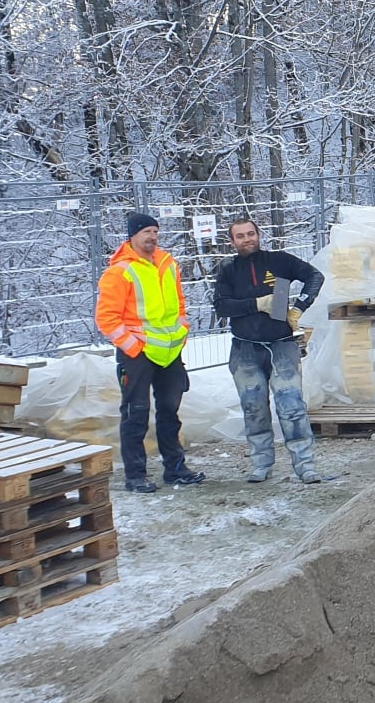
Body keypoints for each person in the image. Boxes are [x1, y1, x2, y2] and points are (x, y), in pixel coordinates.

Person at [213, 217, 329, 484]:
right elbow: (222, 306)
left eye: (251, 234)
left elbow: (315, 276)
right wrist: (256, 304)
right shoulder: (228, 269)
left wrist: (300, 306)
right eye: (240, 236)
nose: (247, 239)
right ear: (232, 241)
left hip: (281, 345)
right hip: (245, 348)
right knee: (253, 408)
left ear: (259, 235)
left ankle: (305, 464)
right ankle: (261, 462)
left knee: (291, 406)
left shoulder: (279, 262)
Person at [95, 211, 203, 493]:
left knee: (170, 411)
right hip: (137, 356)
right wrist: (133, 347)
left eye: (155, 232)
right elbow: (107, 318)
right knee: (136, 413)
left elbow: (179, 304)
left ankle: (175, 468)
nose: (153, 237)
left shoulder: (169, 264)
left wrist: (182, 330)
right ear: (133, 236)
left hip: (169, 353)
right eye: (147, 232)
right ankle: (135, 475)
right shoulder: (120, 271)